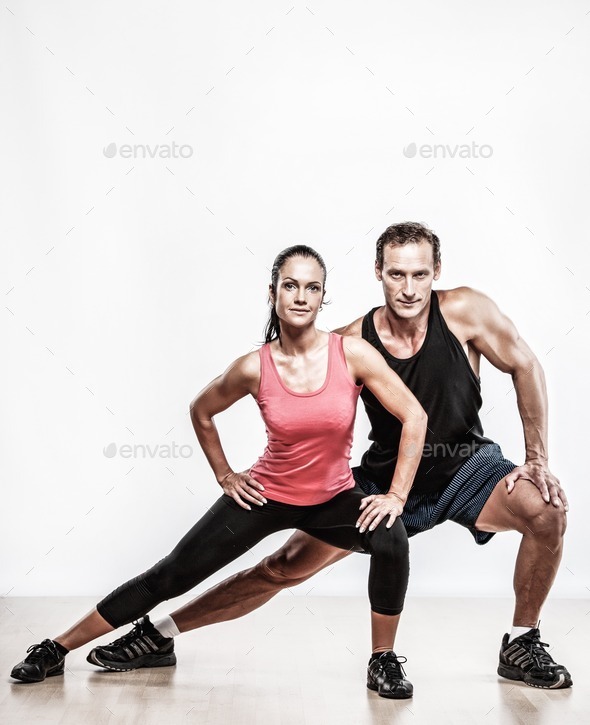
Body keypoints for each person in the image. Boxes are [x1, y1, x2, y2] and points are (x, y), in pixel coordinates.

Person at [75, 222, 571, 695]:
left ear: (435, 271)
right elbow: (300, 397)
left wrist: (537, 458)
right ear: (378, 272)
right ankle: (160, 633)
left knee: (546, 511)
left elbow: (525, 364)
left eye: (420, 273)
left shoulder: (467, 310)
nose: (409, 288)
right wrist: (247, 472)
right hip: (382, 481)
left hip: (467, 468)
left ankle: (521, 642)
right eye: (396, 273)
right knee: (281, 567)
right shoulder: (352, 341)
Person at [11, 244, 427, 699]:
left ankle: (382, 661)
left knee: (390, 533)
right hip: (266, 495)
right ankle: (55, 648)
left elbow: (415, 416)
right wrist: (226, 475)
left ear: (323, 296)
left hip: (331, 499)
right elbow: (202, 411)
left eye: (312, 288)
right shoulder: (254, 367)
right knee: (170, 576)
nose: (301, 297)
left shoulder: (352, 354)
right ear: (274, 294)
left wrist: (396, 496)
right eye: (291, 286)